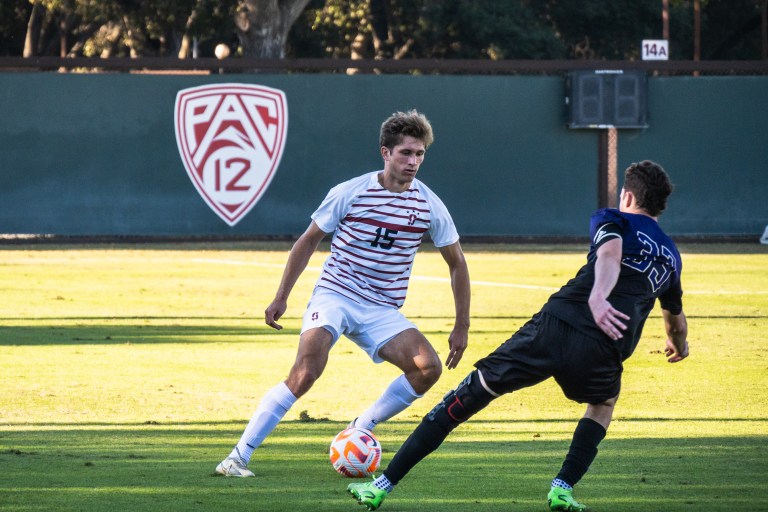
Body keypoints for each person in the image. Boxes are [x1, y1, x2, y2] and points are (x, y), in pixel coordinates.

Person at [348, 160, 689, 511]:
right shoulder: (672, 257)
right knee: (602, 404)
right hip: (604, 346)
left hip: (555, 324)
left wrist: (599, 295)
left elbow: (609, 255)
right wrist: (679, 346)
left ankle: (383, 484)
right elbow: (675, 321)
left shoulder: (614, 218)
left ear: (628, 195)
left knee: (471, 393)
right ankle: (562, 486)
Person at [216, 109, 471, 477]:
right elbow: (308, 242)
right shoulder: (350, 192)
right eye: (406, 153)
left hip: (381, 309)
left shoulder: (429, 204)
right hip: (335, 295)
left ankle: (360, 428)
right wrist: (281, 296)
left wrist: (461, 324)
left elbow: (458, 264)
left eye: (420, 154)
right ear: (385, 152)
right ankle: (237, 457)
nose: (413, 162)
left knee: (427, 369)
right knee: (306, 371)